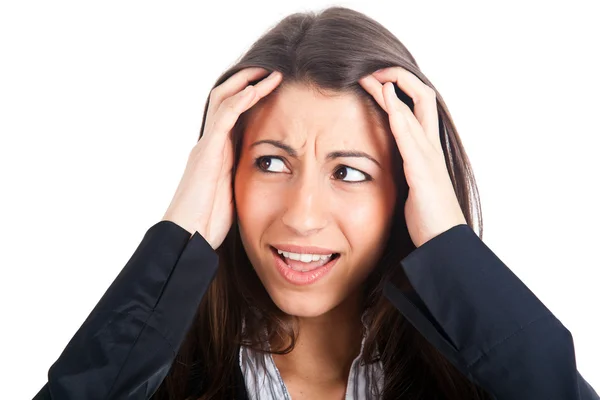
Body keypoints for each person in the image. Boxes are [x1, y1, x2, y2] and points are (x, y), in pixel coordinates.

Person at [33, 6, 598, 400]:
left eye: (350, 172)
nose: (302, 215)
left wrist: (451, 249)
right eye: (271, 163)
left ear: (408, 191)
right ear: (224, 172)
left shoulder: (479, 385)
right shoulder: (150, 381)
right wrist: (179, 233)